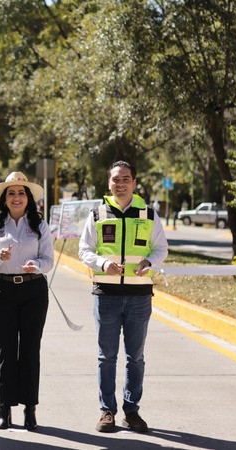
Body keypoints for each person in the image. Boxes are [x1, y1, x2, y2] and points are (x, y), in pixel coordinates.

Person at [78, 160, 168, 433]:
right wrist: (104, 264)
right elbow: (84, 250)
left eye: (125, 179)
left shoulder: (149, 215)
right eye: (116, 179)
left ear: (134, 182)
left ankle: (132, 411)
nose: (121, 184)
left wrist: (150, 264)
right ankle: (107, 411)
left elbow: (161, 248)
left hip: (139, 296)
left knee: (136, 357)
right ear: (109, 183)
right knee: (107, 357)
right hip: (106, 295)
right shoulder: (96, 214)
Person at [0, 172, 54, 431]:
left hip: (34, 291)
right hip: (3, 292)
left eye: (21, 193)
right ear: (5, 199)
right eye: (11, 193)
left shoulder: (39, 225)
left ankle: (30, 409)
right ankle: (4, 409)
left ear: (28, 197)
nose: (17, 197)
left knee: (30, 350)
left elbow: (49, 260)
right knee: (6, 351)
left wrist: (37, 266)